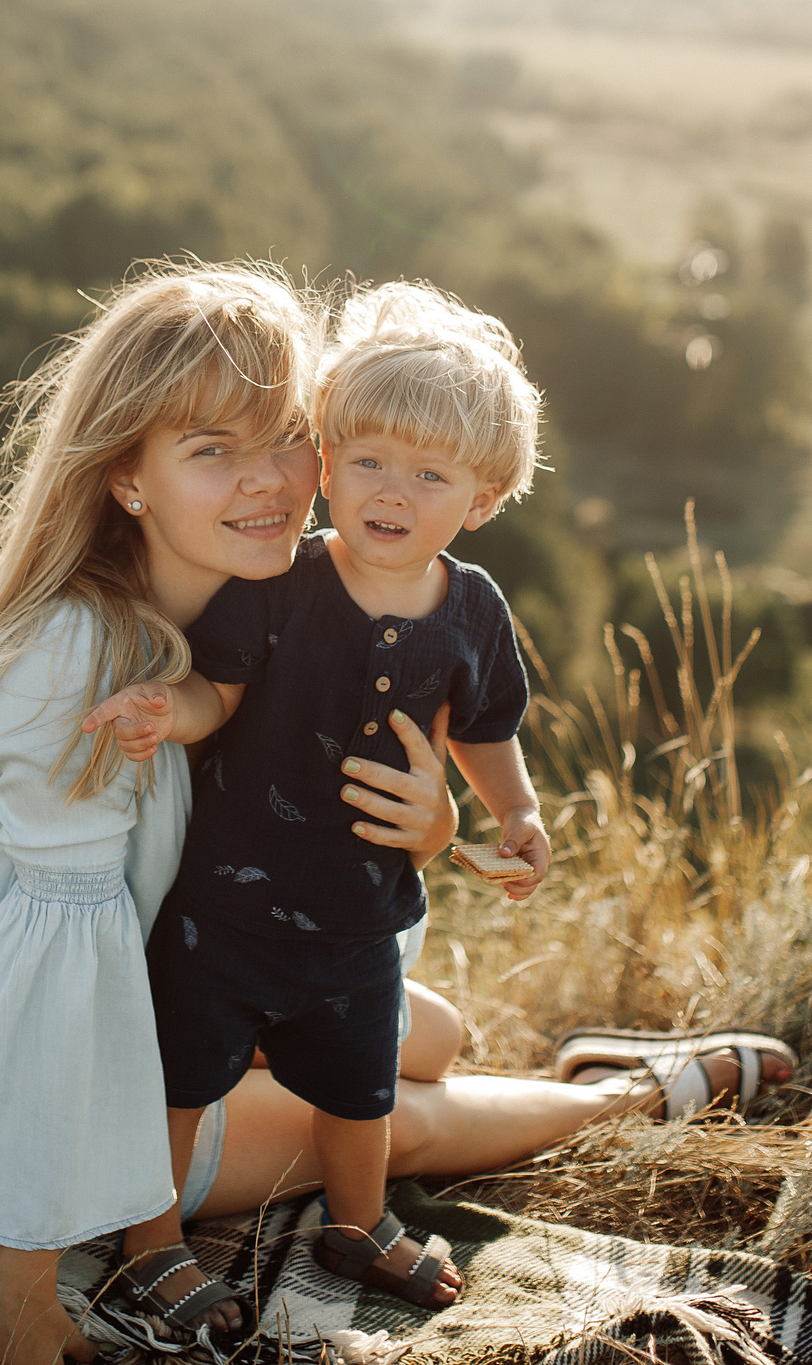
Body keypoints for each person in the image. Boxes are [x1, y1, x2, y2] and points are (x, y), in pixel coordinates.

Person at [0, 262, 795, 1365]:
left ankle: (566, 1072)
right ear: (125, 477)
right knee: (384, 1117)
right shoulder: (85, 666)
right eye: (211, 450)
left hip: (160, 977)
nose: (271, 481)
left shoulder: (256, 622)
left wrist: (440, 832)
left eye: (283, 436)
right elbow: (49, 976)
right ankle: (637, 1093)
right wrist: (24, 1287)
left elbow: (317, 831)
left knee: (434, 1034)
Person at [80, 282, 552, 1316]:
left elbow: (484, 729)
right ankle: (149, 1239)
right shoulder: (278, 587)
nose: (391, 490)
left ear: (478, 500)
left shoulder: (471, 607)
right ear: (328, 464)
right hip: (225, 914)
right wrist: (173, 712)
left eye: (428, 475)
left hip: (357, 921)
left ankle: (357, 1223)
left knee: (356, 1095)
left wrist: (517, 815)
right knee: (181, 1085)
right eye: (369, 461)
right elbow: (222, 693)